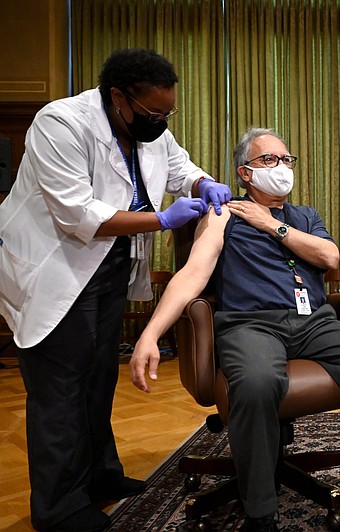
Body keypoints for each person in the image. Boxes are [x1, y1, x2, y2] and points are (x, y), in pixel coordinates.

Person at [129, 127, 340, 532]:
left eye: (286, 159)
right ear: (245, 173)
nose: (281, 168)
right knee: (258, 382)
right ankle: (260, 513)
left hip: (313, 321)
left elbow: (329, 256)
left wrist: (272, 225)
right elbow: (192, 275)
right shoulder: (222, 215)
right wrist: (150, 334)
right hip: (250, 324)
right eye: (269, 160)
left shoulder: (305, 216)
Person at [0, 48, 231, 531]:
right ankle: (59, 508)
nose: (160, 122)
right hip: (55, 268)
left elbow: (179, 168)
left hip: (107, 268)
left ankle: (101, 477)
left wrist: (204, 182)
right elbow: (77, 214)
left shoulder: (150, 127)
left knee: (98, 376)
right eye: (152, 113)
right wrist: (161, 219)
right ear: (118, 98)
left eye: (167, 113)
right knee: (61, 389)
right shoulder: (59, 124)